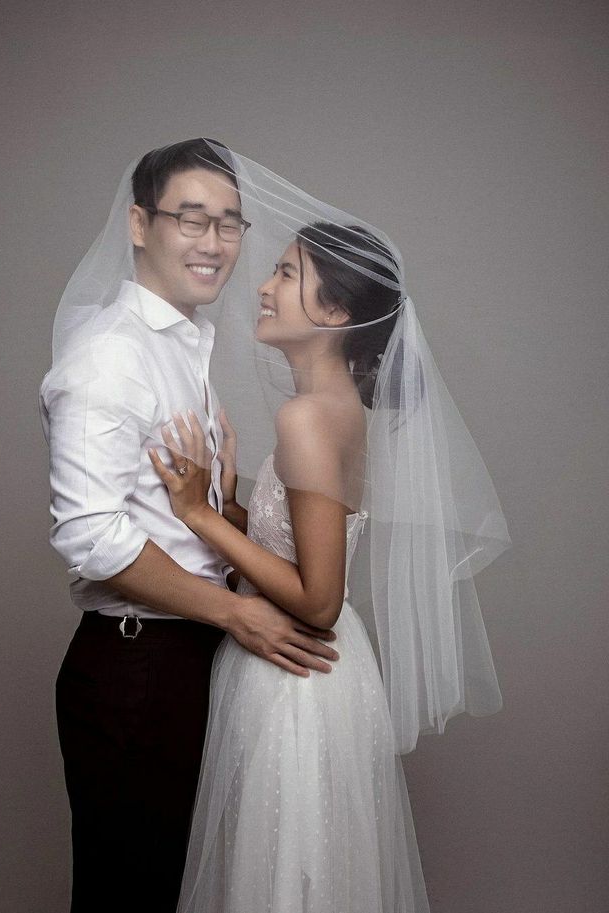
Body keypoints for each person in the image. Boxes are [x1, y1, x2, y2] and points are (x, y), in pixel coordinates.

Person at [149, 144, 511, 912]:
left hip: (298, 674)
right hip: (319, 672)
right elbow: (299, 546)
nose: (264, 286)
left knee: (285, 879)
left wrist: (198, 514)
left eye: (286, 274)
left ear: (339, 312)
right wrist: (231, 504)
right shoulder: (338, 411)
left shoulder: (309, 416)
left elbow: (315, 596)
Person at [39, 139, 339, 913]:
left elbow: (175, 515)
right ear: (140, 223)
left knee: (186, 887)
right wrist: (236, 610)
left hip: (194, 658)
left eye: (230, 225)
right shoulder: (109, 355)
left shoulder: (185, 344)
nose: (214, 244)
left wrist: (224, 504)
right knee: (131, 891)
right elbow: (91, 537)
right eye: (191, 220)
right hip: (138, 666)